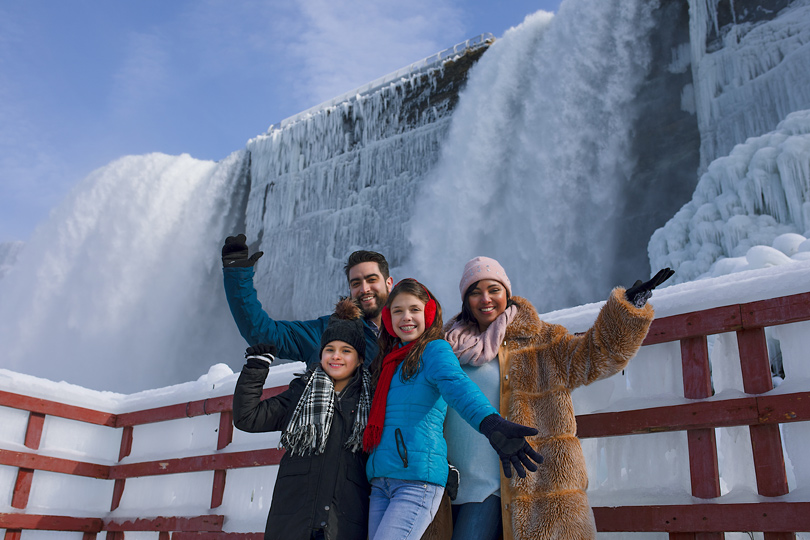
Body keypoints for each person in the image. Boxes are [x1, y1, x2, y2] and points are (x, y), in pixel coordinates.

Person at [443, 256, 672, 540]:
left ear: (507, 293)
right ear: (465, 300)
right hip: (458, 490)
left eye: (493, 289)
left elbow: (596, 355)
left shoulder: (542, 341)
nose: (485, 299)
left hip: (530, 488)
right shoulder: (447, 346)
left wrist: (627, 311)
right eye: (474, 292)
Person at [363, 278, 543, 540]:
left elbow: (458, 386)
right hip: (381, 480)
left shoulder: (435, 350)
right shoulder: (388, 361)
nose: (406, 317)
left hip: (416, 481)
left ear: (428, 313)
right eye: (398, 311)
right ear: (389, 318)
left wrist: (491, 424)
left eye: (414, 309)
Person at [233, 297, 373, 540]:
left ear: (360, 359)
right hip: (293, 524)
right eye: (329, 349)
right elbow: (248, 417)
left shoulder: (372, 404)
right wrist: (256, 368)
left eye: (346, 350)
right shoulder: (301, 393)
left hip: (343, 527)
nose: (336, 356)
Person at [221, 234, 393, 368]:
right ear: (350, 289)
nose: (364, 289)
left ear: (388, 283)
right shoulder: (326, 331)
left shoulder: (410, 330)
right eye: (356, 283)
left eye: (372, 280)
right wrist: (238, 275)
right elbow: (264, 333)